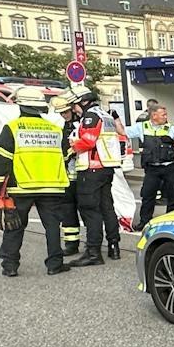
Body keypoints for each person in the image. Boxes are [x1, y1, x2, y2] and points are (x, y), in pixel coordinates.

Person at [0, 85, 74, 277]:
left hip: (22, 187)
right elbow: (67, 154)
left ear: (20, 106)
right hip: (53, 187)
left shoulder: (12, 128)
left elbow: (0, 159)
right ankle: (55, 264)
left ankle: (10, 266)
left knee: (15, 226)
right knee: (52, 226)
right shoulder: (55, 129)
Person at [68, 88, 123, 265]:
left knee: (90, 211)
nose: (74, 110)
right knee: (107, 207)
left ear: (83, 102)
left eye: (75, 106)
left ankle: (93, 253)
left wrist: (72, 145)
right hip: (106, 168)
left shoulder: (91, 116)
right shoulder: (106, 115)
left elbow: (88, 142)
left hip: (92, 169)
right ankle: (114, 246)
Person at [127, 104, 174, 227]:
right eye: (163, 115)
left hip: (169, 167)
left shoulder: (170, 128)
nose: (166, 117)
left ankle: (172, 221)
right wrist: (114, 120)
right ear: (154, 115)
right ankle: (144, 222)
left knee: (173, 195)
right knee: (148, 195)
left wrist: (173, 142)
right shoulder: (142, 127)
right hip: (152, 169)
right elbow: (123, 132)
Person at [50, 94, 84, 260]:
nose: (64, 115)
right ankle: (72, 244)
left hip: (84, 176)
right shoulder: (63, 126)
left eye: (65, 111)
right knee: (68, 211)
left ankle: (94, 243)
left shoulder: (81, 124)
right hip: (67, 177)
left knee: (87, 211)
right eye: (61, 113)